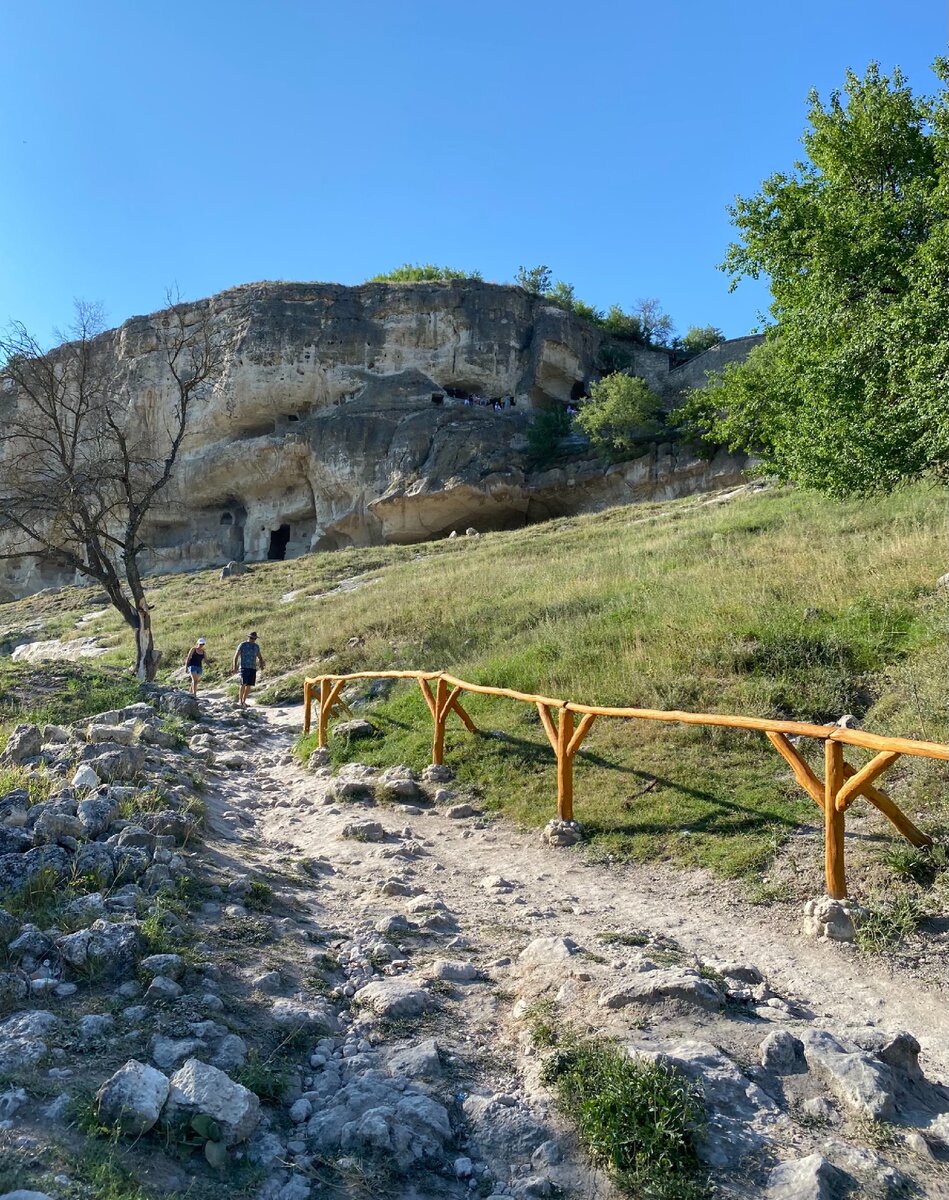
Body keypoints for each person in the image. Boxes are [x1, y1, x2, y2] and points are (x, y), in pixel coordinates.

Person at [233, 631, 265, 707]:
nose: (253, 639)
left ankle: (244, 701)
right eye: (251, 638)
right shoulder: (243, 645)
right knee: (243, 683)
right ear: (248, 637)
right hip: (244, 666)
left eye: (254, 638)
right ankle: (240, 701)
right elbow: (236, 656)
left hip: (252, 667)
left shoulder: (256, 646)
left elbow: (259, 656)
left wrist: (261, 664)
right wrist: (235, 666)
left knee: (249, 685)